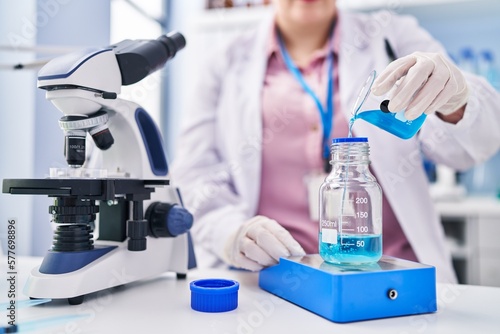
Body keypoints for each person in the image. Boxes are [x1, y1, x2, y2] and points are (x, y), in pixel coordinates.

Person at [170, 0, 500, 283]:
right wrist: (230, 232)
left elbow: (468, 149)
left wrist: (455, 102)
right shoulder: (224, 61)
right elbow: (196, 175)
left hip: (393, 279)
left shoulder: (392, 36)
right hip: (278, 278)